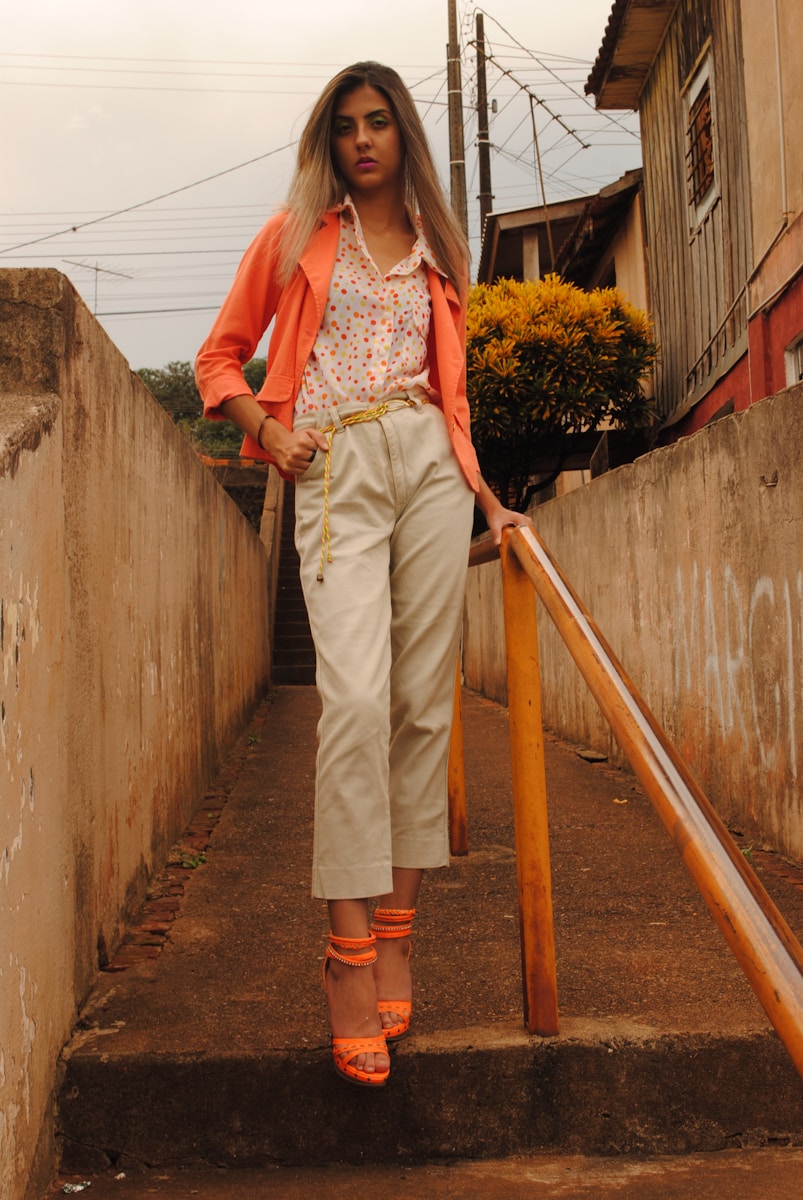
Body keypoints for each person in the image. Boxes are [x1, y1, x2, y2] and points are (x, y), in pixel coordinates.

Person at [195, 61, 529, 1087]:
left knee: (422, 708)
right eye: (345, 127)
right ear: (327, 143)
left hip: (428, 470)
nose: (363, 141)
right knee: (353, 700)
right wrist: (267, 430)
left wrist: (489, 502)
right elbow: (219, 358)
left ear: (403, 137)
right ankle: (344, 959)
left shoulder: (440, 252)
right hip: (335, 463)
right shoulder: (297, 236)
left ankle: (394, 935)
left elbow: (453, 400)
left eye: (379, 123)